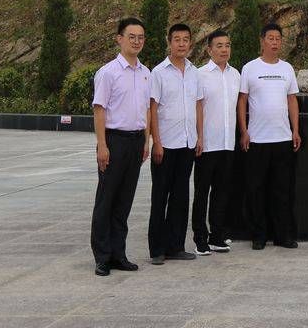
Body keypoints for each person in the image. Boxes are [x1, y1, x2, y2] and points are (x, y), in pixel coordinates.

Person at [90, 18, 152, 276]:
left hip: (136, 140)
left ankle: (118, 254)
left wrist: (146, 140)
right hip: (114, 140)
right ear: (119, 38)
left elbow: (147, 109)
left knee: (124, 200)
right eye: (131, 36)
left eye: (140, 37)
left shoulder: (145, 72)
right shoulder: (108, 72)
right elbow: (99, 109)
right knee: (107, 199)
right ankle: (102, 257)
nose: (136, 41)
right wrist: (102, 145)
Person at [238, 23, 301, 250]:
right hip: (257, 140)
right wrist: (244, 131)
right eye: (271, 38)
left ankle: (283, 235)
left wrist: (295, 130)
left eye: (278, 38)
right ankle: (259, 235)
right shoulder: (250, 68)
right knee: (256, 189)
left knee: (282, 189)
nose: (275, 42)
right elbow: (242, 101)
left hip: (283, 139)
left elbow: (292, 100)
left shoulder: (287, 68)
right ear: (262, 41)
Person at [148, 23, 199, 265]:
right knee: (160, 197)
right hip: (165, 144)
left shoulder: (193, 71)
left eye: (185, 39)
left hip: (187, 142)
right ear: (169, 42)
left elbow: (197, 104)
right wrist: (156, 142)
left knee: (180, 197)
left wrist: (198, 136)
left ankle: (176, 246)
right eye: (176, 39)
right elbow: (152, 109)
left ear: (190, 43)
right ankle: (157, 249)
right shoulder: (158, 72)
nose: (181, 44)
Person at [192, 29, 240, 255]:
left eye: (227, 45)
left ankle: (217, 236)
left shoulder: (235, 75)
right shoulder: (200, 74)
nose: (224, 49)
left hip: (227, 143)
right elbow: (197, 108)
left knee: (222, 193)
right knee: (202, 193)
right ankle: (200, 238)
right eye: (219, 45)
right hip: (206, 144)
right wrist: (199, 136)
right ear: (209, 49)